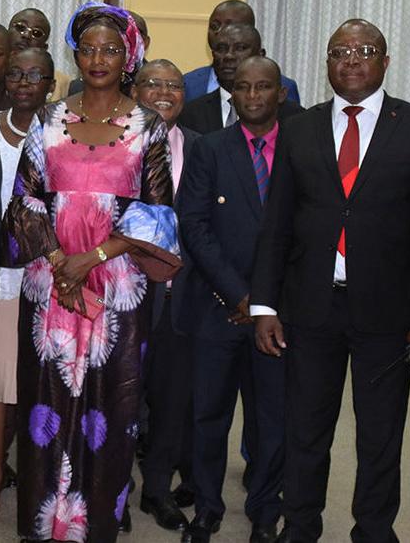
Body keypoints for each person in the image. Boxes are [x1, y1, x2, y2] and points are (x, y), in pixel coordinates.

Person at [2, 2, 181, 543]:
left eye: (110, 50)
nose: (98, 58)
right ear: (75, 56)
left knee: (112, 404)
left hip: (118, 288)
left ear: (129, 57)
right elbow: (24, 202)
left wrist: (92, 259)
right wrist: (62, 264)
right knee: (47, 402)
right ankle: (44, 525)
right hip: (50, 286)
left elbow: (157, 213)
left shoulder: (148, 126)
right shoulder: (47, 119)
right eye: (88, 49)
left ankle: (97, 524)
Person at [251, 19, 410, 543]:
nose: (351, 60)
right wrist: (264, 306)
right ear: (326, 62)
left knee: (380, 435)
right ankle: (301, 525)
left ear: (386, 62)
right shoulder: (300, 127)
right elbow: (277, 223)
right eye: (339, 51)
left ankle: (374, 530)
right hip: (310, 308)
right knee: (305, 430)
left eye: (364, 50)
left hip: (388, 313)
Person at [178, 56, 288, 543]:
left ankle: (264, 510)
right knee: (208, 416)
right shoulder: (210, 148)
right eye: (243, 87)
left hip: (279, 312)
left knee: (271, 418)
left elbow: (310, 228)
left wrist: (265, 302)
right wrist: (239, 295)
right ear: (233, 94)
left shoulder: (302, 148)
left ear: (281, 93)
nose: (253, 96)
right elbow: (194, 225)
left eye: (263, 87)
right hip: (218, 306)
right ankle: (207, 507)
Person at [0, 48, 54, 521]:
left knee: (40, 381)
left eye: (35, 75)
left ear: (51, 84)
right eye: (16, 73)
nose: (23, 81)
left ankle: (39, 472)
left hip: (51, 276)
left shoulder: (65, 129)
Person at [132, 59, 197, 532]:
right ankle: (111, 491)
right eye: (153, 83)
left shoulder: (202, 147)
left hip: (181, 298)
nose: (163, 92)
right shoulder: (113, 142)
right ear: (135, 90)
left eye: (173, 85)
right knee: (117, 400)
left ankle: (156, 490)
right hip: (124, 293)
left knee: (172, 403)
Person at [179, 24, 303, 135]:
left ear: (260, 55)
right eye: (221, 49)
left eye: (240, 48)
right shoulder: (190, 114)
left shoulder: (294, 117)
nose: (228, 56)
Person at [182, 0, 300, 102]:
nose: (220, 32)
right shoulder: (188, 83)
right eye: (214, 26)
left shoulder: (282, 86)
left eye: (231, 26)